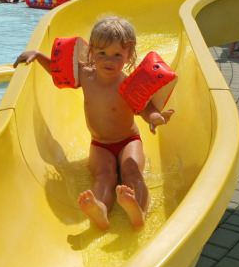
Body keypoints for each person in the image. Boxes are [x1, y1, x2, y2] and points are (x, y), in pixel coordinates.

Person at [13, 17, 174, 230]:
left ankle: (139, 211)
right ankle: (100, 209)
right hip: (100, 145)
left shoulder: (128, 84)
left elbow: (145, 108)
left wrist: (155, 119)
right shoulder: (85, 76)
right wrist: (39, 56)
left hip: (129, 140)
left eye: (118, 55)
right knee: (103, 175)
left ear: (129, 56)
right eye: (102, 54)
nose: (110, 60)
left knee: (132, 171)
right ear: (91, 53)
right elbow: (58, 72)